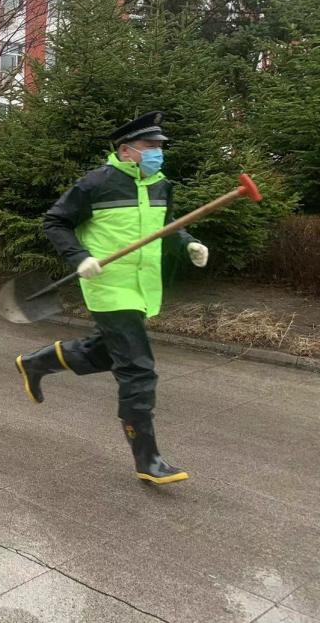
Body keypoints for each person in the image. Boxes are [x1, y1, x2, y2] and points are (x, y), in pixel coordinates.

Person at [14, 112, 210, 486]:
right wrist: (79, 257)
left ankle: (36, 363)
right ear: (125, 150)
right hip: (107, 286)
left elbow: (166, 227)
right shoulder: (97, 183)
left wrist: (188, 243)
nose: (158, 153)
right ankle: (148, 459)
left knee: (109, 352)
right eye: (150, 146)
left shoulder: (161, 185)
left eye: (160, 147)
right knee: (138, 368)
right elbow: (56, 221)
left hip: (143, 287)